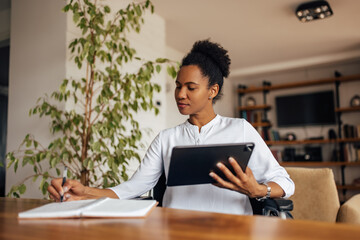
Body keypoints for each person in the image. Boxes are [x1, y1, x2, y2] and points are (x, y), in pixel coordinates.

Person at [48, 40, 294, 215]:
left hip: (231, 230)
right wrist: (84, 192)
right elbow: (132, 189)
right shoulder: (167, 138)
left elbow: (285, 183)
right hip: (175, 230)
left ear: (213, 91)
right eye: (178, 86)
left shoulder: (240, 129)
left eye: (190, 87)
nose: (180, 94)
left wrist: (257, 190)